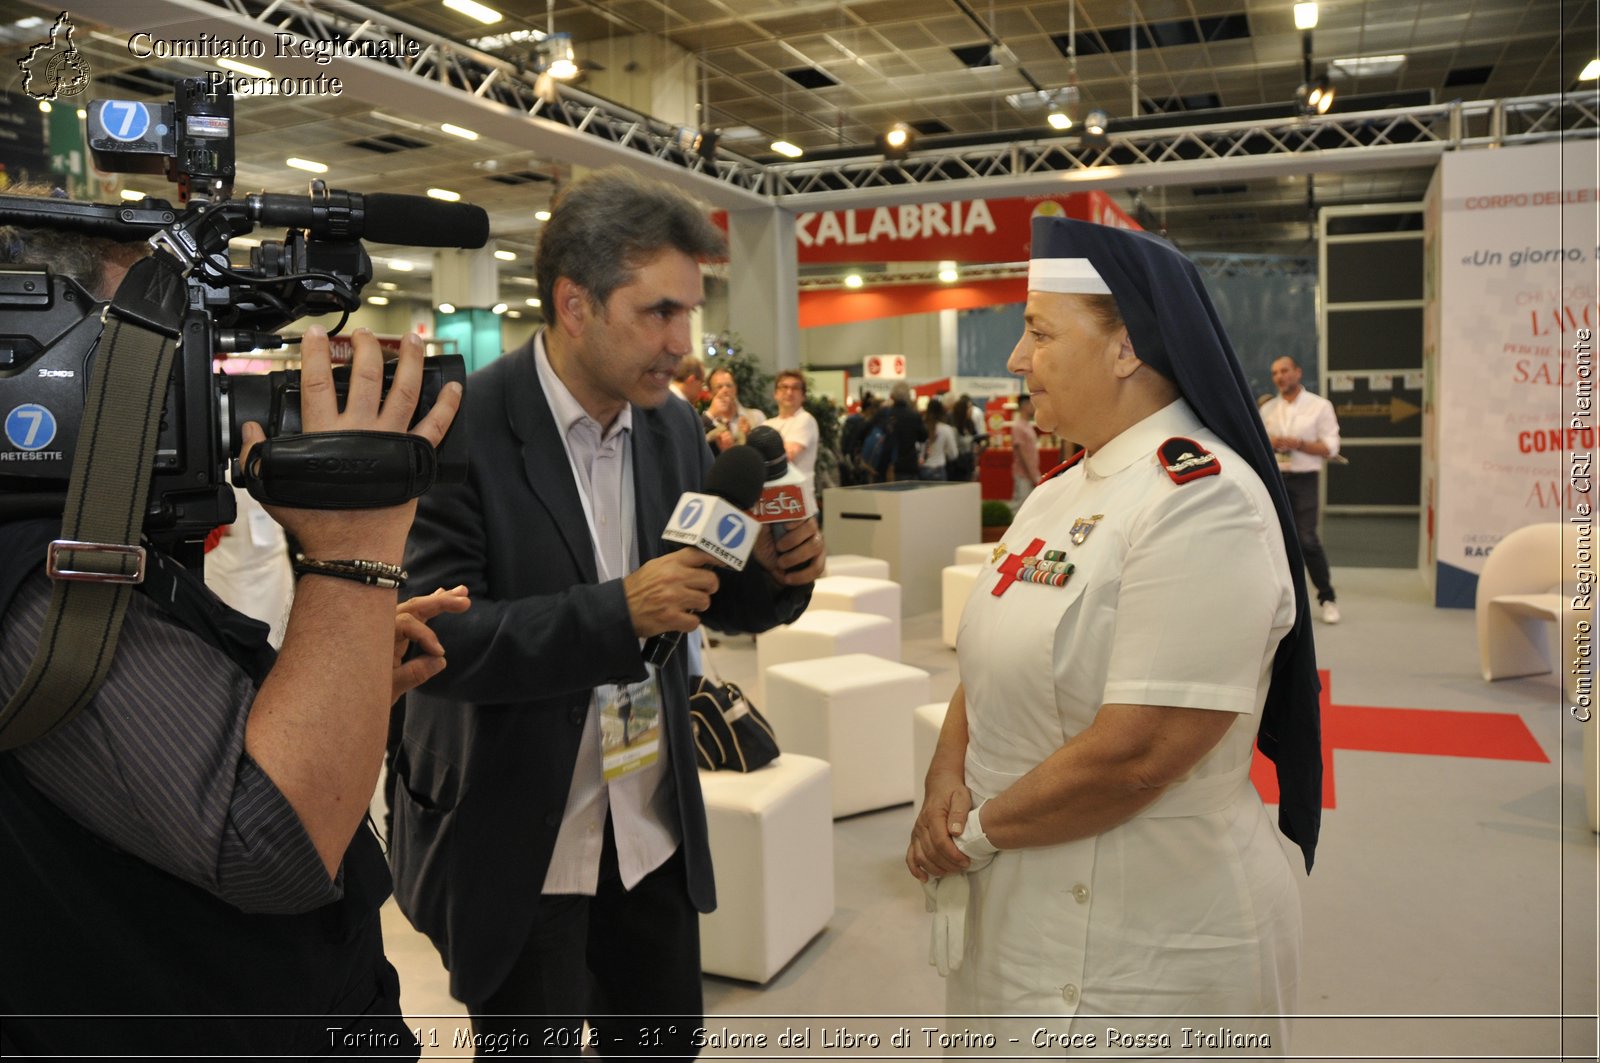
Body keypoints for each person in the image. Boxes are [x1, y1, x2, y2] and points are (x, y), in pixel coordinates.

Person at [0, 186, 467, 1057]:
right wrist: (357, 547)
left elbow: (184, 745)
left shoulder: (94, 537)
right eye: (148, 350)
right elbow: (272, 840)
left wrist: (342, 665)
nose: (179, 382)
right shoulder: (32, 573)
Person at [390, 167, 824, 1057]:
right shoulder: (463, 428)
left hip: (650, 833)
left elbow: (710, 585)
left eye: (688, 314)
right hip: (522, 842)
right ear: (575, 304)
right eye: (659, 313)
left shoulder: (669, 426)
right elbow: (440, 640)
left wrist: (781, 576)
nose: (682, 342)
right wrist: (618, 610)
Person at [907, 216, 1322, 1052]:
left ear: (1126, 345)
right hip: (1018, 907)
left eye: (1037, 330)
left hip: (1151, 941)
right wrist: (945, 776)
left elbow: (1144, 752)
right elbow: (988, 663)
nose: (1018, 358)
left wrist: (973, 833)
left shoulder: (1204, 499)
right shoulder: (1055, 494)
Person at [1261, 355, 1343, 624]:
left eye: (1284, 371)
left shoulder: (1320, 406)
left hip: (1305, 477)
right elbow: (1258, 445)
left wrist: (1299, 444)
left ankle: (1327, 598)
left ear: (1298, 372)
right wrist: (1272, 443)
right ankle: (1284, 605)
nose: (1280, 377)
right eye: (1274, 373)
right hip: (1275, 479)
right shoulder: (1268, 409)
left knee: (1307, 539)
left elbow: (1331, 448)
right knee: (1275, 542)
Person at [768, 369, 820, 513]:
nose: (789, 392)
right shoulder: (768, 424)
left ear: (803, 396)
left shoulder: (805, 419)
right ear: (775, 393)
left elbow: (786, 456)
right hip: (772, 503)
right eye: (784, 387)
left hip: (799, 504)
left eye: (795, 388)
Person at [703, 366, 759, 453]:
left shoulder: (755, 416)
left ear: (735, 389)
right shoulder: (705, 423)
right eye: (719, 387)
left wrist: (749, 437)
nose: (725, 390)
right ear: (710, 393)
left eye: (729, 385)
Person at [883, 381, 927, 482]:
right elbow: (923, 436)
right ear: (908, 396)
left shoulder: (887, 415)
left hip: (890, 465)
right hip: (909, 465)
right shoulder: (914, 415)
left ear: (893, 396)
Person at [918, 396, 958, 481]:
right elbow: (953, 454)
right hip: (939, 470)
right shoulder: (946, 429)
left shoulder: (922, 428)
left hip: (923, 470)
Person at [1010, 393, 1040, 502]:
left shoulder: (1027, 425)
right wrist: (1033, 475)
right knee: (1021, 505)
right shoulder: (1018, 427)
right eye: (1031, 404)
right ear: (1025, 405)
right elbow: (1023, 454)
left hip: (1030, 473)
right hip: (1024, 474)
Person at [947, 394, 979, 482]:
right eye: (968, 408)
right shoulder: (954, 429)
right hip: (958, 469)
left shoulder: (970, 424)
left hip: (969, 465)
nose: (971, 410)